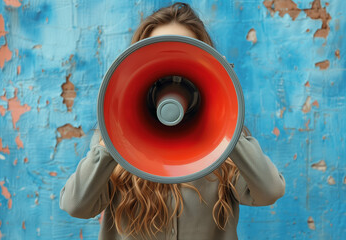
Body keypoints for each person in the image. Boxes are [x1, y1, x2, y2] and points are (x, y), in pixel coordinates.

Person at [59, 3, 286, 240]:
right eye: (160, 50)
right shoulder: (112, 142)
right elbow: (76, 206)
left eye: (184, 50)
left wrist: (226, 119)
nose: (173, 60)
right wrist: (116, 135)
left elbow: (269, 191)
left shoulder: (228, 148)